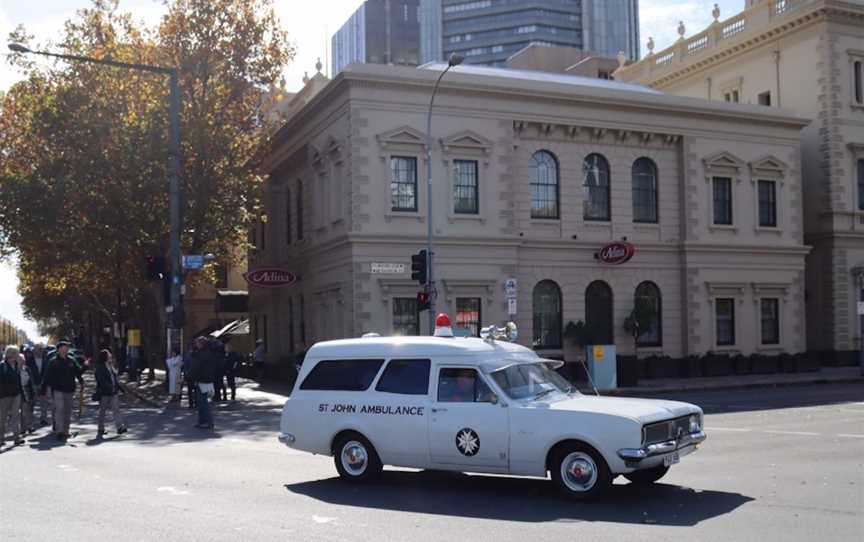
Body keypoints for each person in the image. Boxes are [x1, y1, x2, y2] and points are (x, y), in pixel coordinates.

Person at [41, 340, 85, 442]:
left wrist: (85, 367)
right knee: (59, 410)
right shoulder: (53, 361)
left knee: (68, 411)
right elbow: (47, 376)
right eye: (64, 347)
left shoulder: (71, 360)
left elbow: (78, 372)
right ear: (59, 349)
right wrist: (43, 389)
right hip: (58, 389)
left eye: (67, 347)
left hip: (70, 389)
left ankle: (66, 431)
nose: (66, 349)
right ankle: (59, 431)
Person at [94, 350, 127, 437]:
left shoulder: (111, 366)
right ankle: (100, 429)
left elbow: (115, 379)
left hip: (113, 392)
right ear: (105, 357)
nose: (111, 357)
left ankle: (120, 427)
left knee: (116, 410)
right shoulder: (100, 367)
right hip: (104, 393)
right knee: (102, 411)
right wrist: (109, 386)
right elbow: (101, 380)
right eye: (109, 355)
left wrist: (120, 388)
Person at [188, 337, 216, 430]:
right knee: (203, 401)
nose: (196, 344)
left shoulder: (200, 354)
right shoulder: (210, 353)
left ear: (201, 344)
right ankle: (202, 421)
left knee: (203, 402)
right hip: (208, 379)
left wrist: (189, 376)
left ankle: (208, 422)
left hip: (201, 380)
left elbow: (196, 367)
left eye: (197, 343)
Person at [0, 346, 25, 447]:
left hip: (16, 394)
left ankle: (16, 438)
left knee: (16, 415)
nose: (17, 355)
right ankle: (1, 438)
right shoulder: (2, 366)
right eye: (16, 353)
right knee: (2, 417)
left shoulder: (17, 365)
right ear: (11, 354)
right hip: (4, 395)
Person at [27, 345, 50, 426]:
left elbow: (47, 372)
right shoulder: (29, 361)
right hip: (33, 385)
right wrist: (32, 384)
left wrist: (44, 383)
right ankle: (30, 422)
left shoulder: (46, 360)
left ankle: (43, 419)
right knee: (31, 404)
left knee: (44, 403)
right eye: (37, 350)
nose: (39, 351)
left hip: (43, 384)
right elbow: (28, 373)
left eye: (40, 350)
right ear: (33, 351)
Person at [19, 352, 36, 434]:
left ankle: (28, 426)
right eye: (20, 360)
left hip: (27, 390)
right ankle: (22, 427)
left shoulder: (27, 369)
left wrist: (33, 392)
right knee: (20, 411)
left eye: (23, 360)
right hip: (18, 391)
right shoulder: (15, 369)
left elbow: (31, 381)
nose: (22, 361)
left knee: (27, 410)